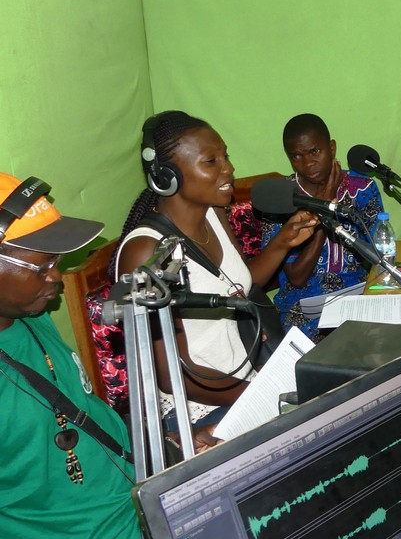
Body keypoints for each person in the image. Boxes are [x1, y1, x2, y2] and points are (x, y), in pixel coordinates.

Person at [114, 111, 316, 424]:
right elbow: (173, 375)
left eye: (226, 156)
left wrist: (282, 243)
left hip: (245, 386)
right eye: (211, 161)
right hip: (197, 411)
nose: (229, 169)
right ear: (166, 176)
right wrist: (263, 393)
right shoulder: (146, 252)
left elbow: (240, 286)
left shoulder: (213, 214)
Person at [0, 173, 144, 539]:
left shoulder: (31, 316)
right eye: (41, 265)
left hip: (142, 513)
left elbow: (79, 412)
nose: (57, 278)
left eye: (57, 262)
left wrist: (164, 448)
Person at [263, 114, 383, 341]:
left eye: (315, 152)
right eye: (296, 156)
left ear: (332, 148)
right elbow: (297, 278)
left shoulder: (362, 188)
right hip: (303, 306)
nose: (307, 164)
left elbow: (381, 253)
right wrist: (324, 211)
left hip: (356, 294)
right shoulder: (281, 200)